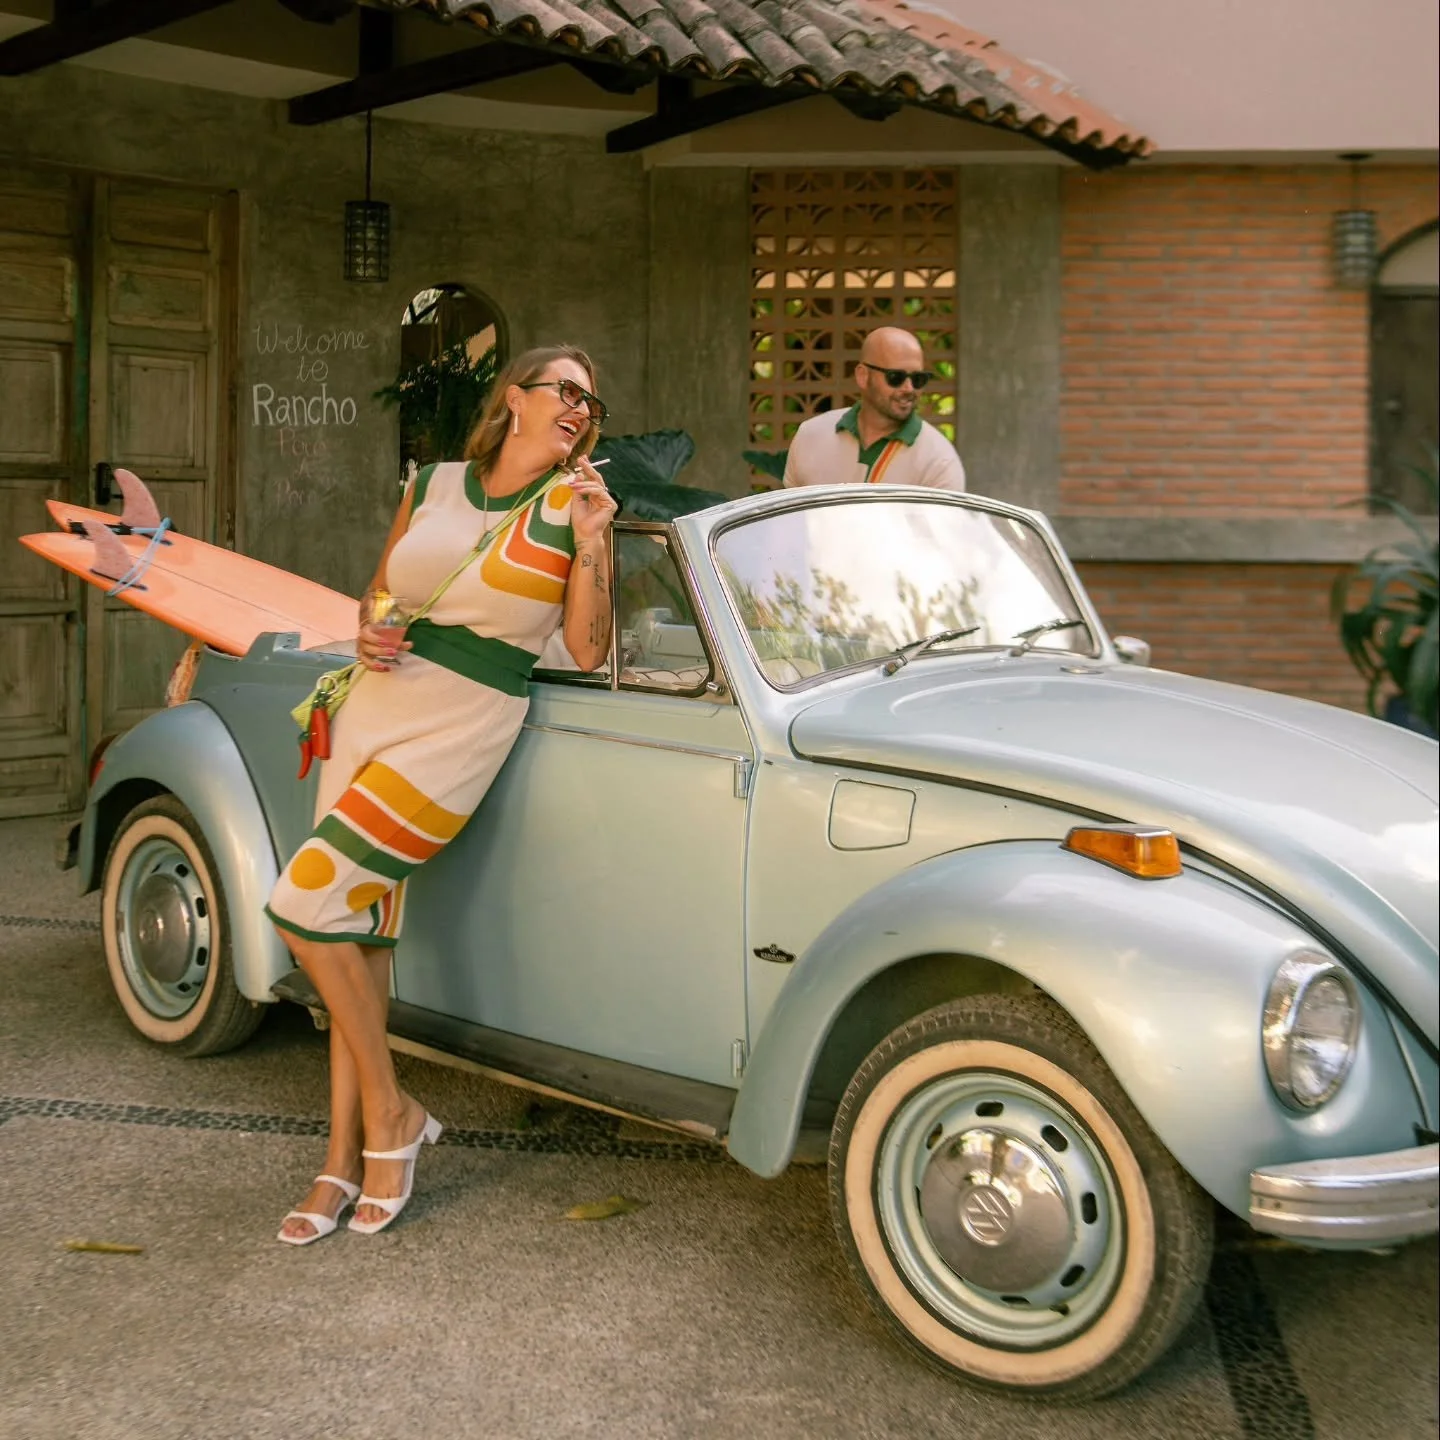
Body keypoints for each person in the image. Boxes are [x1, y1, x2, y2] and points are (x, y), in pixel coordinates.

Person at [267, 345, 617, 1243]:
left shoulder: (573, 506)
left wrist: (591, 543)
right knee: (359, 938)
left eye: (592, 402)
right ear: (516, 398)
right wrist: (373, 627)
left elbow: (585, 648)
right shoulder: (435, 486)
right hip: (376, 706)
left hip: (463, 724)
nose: (580, 408)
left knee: (303, 904)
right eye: (565, 391)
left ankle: (392, 1114)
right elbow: (383, 588)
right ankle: (344, 1160)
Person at [782, 326, 966, 491]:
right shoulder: (810, 435)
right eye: (896, 377)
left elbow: (941, 529)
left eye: (918, 379)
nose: (909, 388)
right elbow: (789, 521)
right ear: (863, 376)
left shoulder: (938, 460)